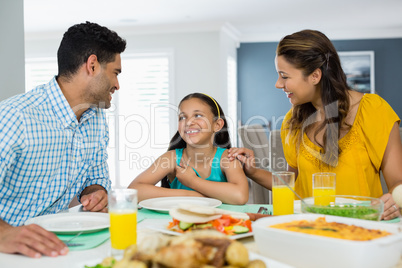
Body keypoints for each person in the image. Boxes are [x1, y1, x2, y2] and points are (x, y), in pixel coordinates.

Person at [228, 29, 402, 220]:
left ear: (315, 76)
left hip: (360, 229)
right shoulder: (292, 121)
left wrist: (395, 200)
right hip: (308, 229)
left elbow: (397, 183)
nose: (278, 84)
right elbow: (290, 183)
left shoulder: (373, 110)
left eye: (284, 76)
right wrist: (252, 171)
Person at [0, 22, 126, 258]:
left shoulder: (96, 118)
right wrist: (3, 233)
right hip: (9, 253)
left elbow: (96, 178)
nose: (117, 85)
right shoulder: (15, 117)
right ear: (92, 65)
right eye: (115, 73)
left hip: (60, 246)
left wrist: (96, 193)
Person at [129, 93, 249, 205]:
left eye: (197, 115)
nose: (189, 122)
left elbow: (240, 196)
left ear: (217, 125)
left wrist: (192, 181)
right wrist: (191, 195)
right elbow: (133, 192)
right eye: (182, 117)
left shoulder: (228, 158)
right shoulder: (171, 158)